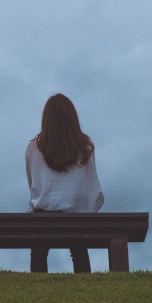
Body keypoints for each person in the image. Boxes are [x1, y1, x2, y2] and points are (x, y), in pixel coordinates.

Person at [26, 93, 104, 273]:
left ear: (46, 119)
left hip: (43, 214)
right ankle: (84, 286)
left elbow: (34, 185)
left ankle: (37, 287)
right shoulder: (85, 147)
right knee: (79, 249)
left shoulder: (34, 147)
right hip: (76, 216)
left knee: (38, 251)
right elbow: (91, 186)